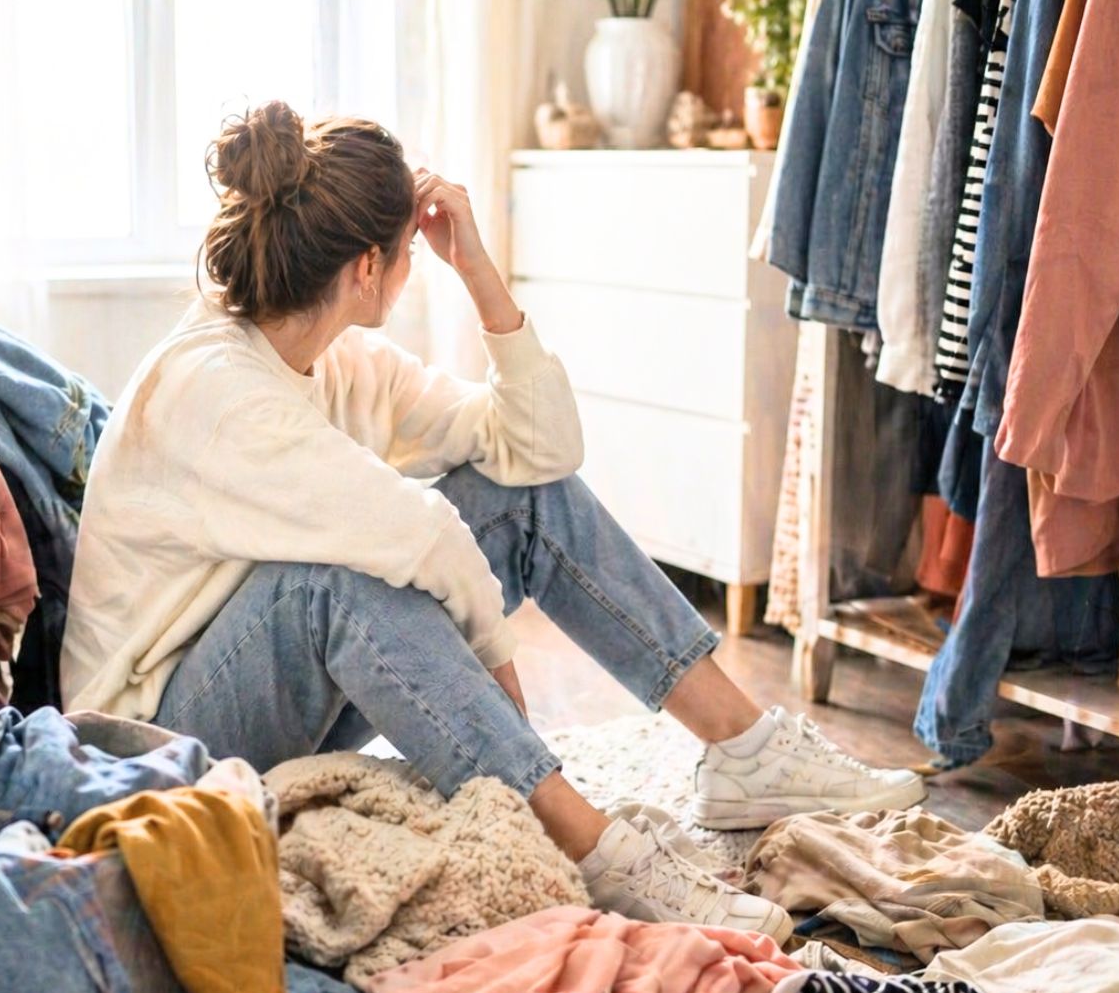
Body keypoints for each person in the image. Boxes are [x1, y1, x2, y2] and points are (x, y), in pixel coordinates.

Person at [61, 101, 923, 938]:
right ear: (369, 268)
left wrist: (476, 268)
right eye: (410, 253)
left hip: (272, 682)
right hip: (155, 745)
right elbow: (419, 536)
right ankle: (590, 846)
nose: (413, 265)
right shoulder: (218, 389)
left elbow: (538, 453)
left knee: (510, 496)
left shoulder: (340, 359)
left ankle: (746, 749)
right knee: (331, 584)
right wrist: (498, 660)